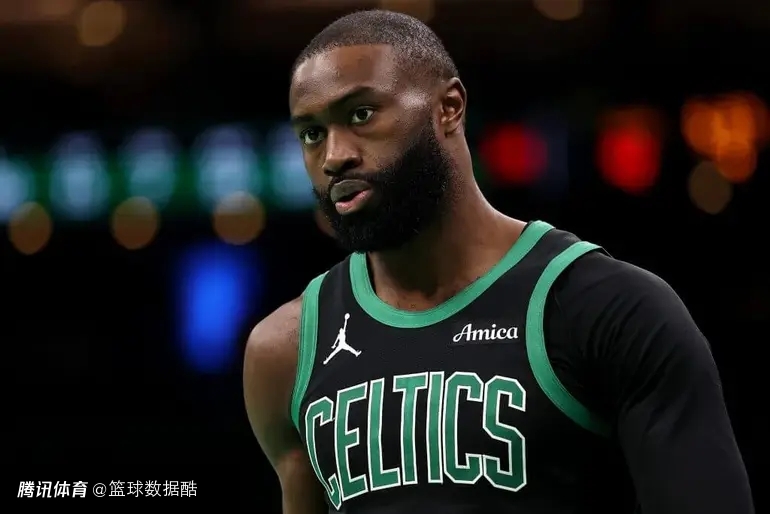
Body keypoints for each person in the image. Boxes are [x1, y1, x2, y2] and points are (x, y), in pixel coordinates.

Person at [243, 10, 753, 514]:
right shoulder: (285, 350)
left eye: (361, 115)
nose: (334, 156)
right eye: (312, 134)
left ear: (449, 108)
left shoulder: (610, 309)